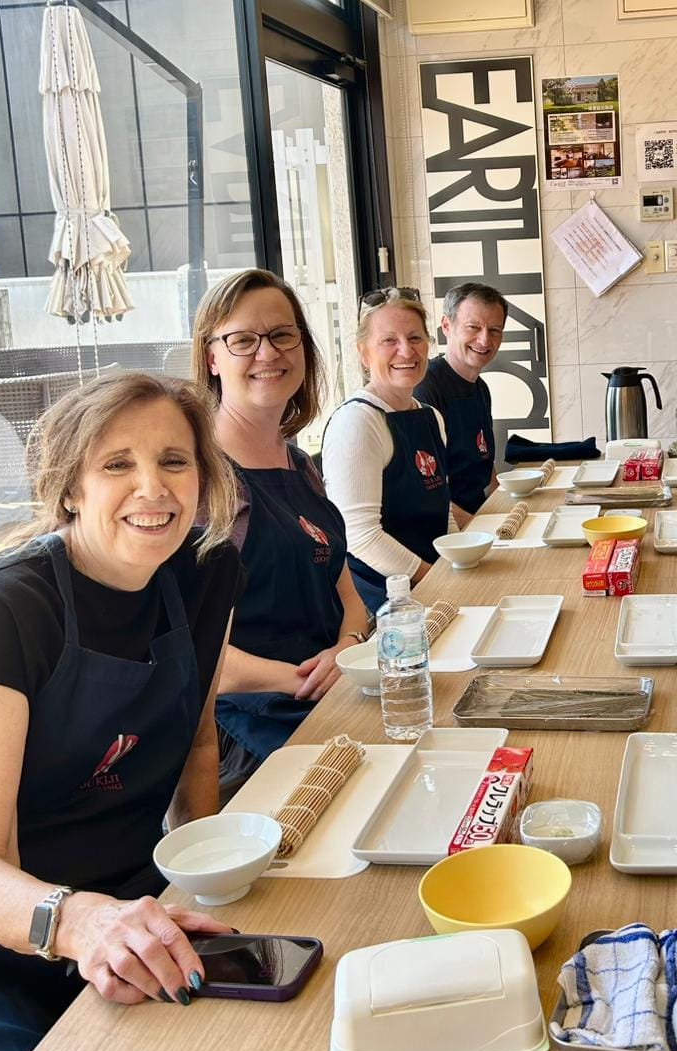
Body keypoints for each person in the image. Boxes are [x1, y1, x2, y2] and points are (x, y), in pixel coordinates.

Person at [0, 373, 327, 1051]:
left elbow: (197, 736)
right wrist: (81, 921)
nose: (152, 487)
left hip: (132, 905)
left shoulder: (207, 571)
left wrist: (207, 872)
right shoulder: (7, 607)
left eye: (174, 461)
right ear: (70, 486)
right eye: (117, 464)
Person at [191, 269, 370, 787]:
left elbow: (346, 590)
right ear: (212, 357)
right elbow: (195, 651)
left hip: (331, 702)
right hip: (252, 736)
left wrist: (348, 645)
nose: (267, 353)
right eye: (243, 340)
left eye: (282, 334)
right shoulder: (202, 478)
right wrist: (310, 677)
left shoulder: (299, 463)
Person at [322, 288, 459, 614]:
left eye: (415, 338)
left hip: (434, 585)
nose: (406, 351)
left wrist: (458, 564)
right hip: (382, 605)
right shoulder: (357, 422)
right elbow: (361, 536)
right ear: (363, 353)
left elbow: (443, 514)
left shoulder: (431, 416)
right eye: (389, 340)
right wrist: (438, 580)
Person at [414, 282, 506, 523]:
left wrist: (510, 516)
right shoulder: (425, 389)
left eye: (494, 330)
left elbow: (486, 470)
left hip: (478, 518)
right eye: (473, 327)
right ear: (447, 326)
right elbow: (427, 493)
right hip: (446, 529)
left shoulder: (481, 388)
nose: (484, 340)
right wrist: (481, 531)